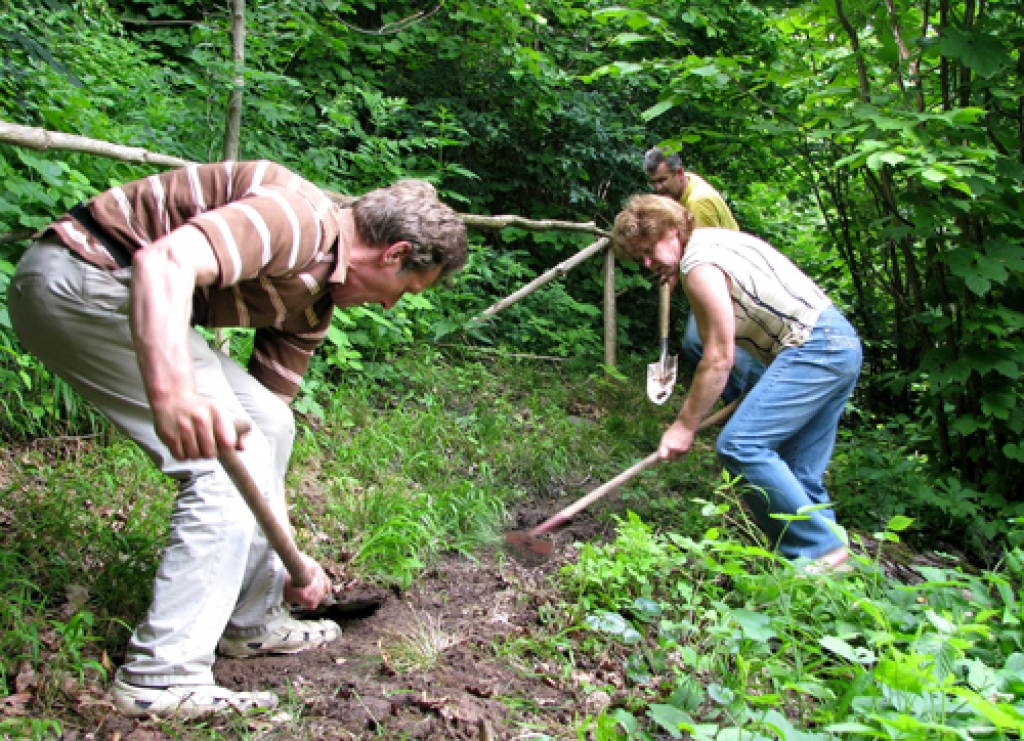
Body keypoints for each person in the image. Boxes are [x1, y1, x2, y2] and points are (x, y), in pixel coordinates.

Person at [8, 161, 467, 718]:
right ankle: (161, 678)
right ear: (393, 253)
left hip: (108, 290)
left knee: (266, 429)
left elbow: (267, 423)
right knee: (228, 460)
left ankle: (252, 617)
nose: (393, 304)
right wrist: (174, 389)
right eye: (405, 289)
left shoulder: (318, 297)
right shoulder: (299, 220)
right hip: (84, 276)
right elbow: (164, 262)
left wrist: (288, 557)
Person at [612, 194, 861, 568]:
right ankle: (834, 581)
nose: (648, 263)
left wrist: (683, 426)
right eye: (640, 258)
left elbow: (718, 357)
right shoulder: (716, 241)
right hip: (839, 343)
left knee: (741, 445)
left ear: (673, 229)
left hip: (814, 348)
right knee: (798, 476)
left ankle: (820, 552)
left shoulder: (699, 266)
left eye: (649, 250)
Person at [643, 146, 763, 402]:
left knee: (701, 343)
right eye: (653, 183)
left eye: (663, 181)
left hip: (729, 280)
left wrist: (674, 274)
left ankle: (752, 399)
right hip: (718, 277)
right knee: (702, 343)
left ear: (679, 173)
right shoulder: (684, 189)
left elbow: (703, 256)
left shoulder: (699, 202)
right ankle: (738, 403)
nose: (658, 189)